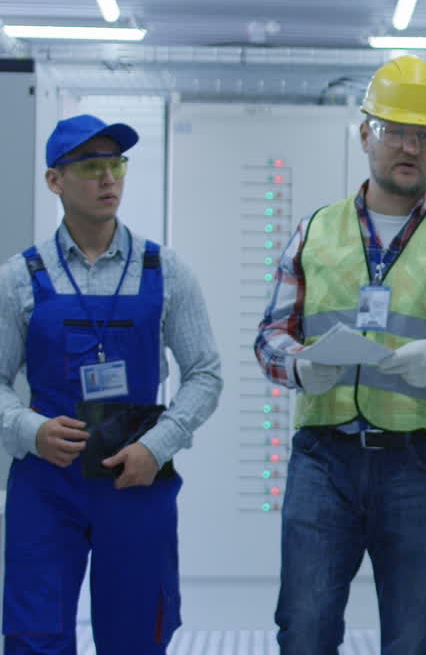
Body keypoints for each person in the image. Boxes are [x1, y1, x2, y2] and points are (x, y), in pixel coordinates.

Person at [255, 55, 426, 655]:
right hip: (323, 459)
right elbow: (270, 336)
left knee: (415, 638)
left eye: (425, 135)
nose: (410, 146)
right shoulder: (314, 231)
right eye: (395, 130)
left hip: (420, 467)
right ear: (364, 134)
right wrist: (299, 364)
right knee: (305, 630)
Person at [0, 114, 223, 653]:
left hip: (136, 479)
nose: (109, 180)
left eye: (117, 165)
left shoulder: (165, 270)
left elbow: (205, 374)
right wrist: (29, 430)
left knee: (136, 636)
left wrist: (157, 445)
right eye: (92, 166)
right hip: (47, 483)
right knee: (36, 635)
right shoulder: (18, 277)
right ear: (54, 180)